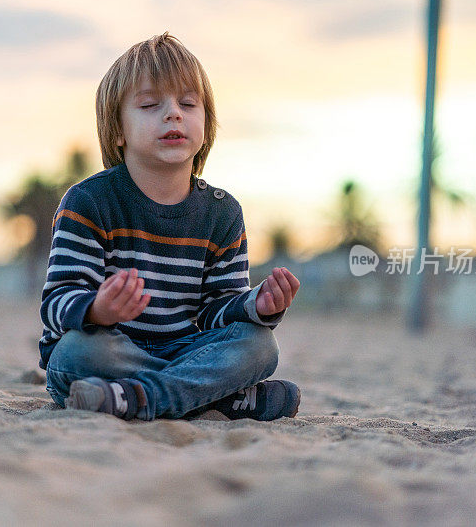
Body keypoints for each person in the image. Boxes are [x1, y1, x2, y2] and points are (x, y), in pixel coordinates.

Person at [38, 31, 301, 422]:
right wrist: (97, 308)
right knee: (79, 353)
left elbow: (215, 310)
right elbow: (56, 302)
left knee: (260, 345)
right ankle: (214, 398)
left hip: (184, 349)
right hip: (108, 351)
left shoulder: (222, 212)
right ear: (117, 131)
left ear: (206, 126)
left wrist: (256, 305)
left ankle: (142, 399)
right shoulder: (88, 202)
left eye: (188, 103)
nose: (173, 113)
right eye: (149, 104)